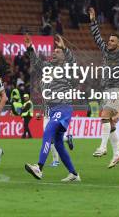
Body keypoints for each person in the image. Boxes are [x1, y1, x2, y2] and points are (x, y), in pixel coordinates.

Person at [24, 35, 80, 182]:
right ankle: (74, 174)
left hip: (64, 107)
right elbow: (36, 63)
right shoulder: (48, 67)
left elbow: (73, 62)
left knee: (48, 130)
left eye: (58, 52)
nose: (54, 53)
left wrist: (64, 48)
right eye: (54, 51)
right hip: (53, 109)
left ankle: (39, 167)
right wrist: (31, 48)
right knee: (59, 144)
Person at [89, 0, 119, 169]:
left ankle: (102, 147)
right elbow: (96, 36)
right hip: (107, 90)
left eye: (112, 41)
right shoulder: (105, 51)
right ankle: (117, 154)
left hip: (118, 90)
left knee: (104, 116)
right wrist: (93, 20)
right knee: (111, 124)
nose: (109, 43)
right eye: (108, 41)